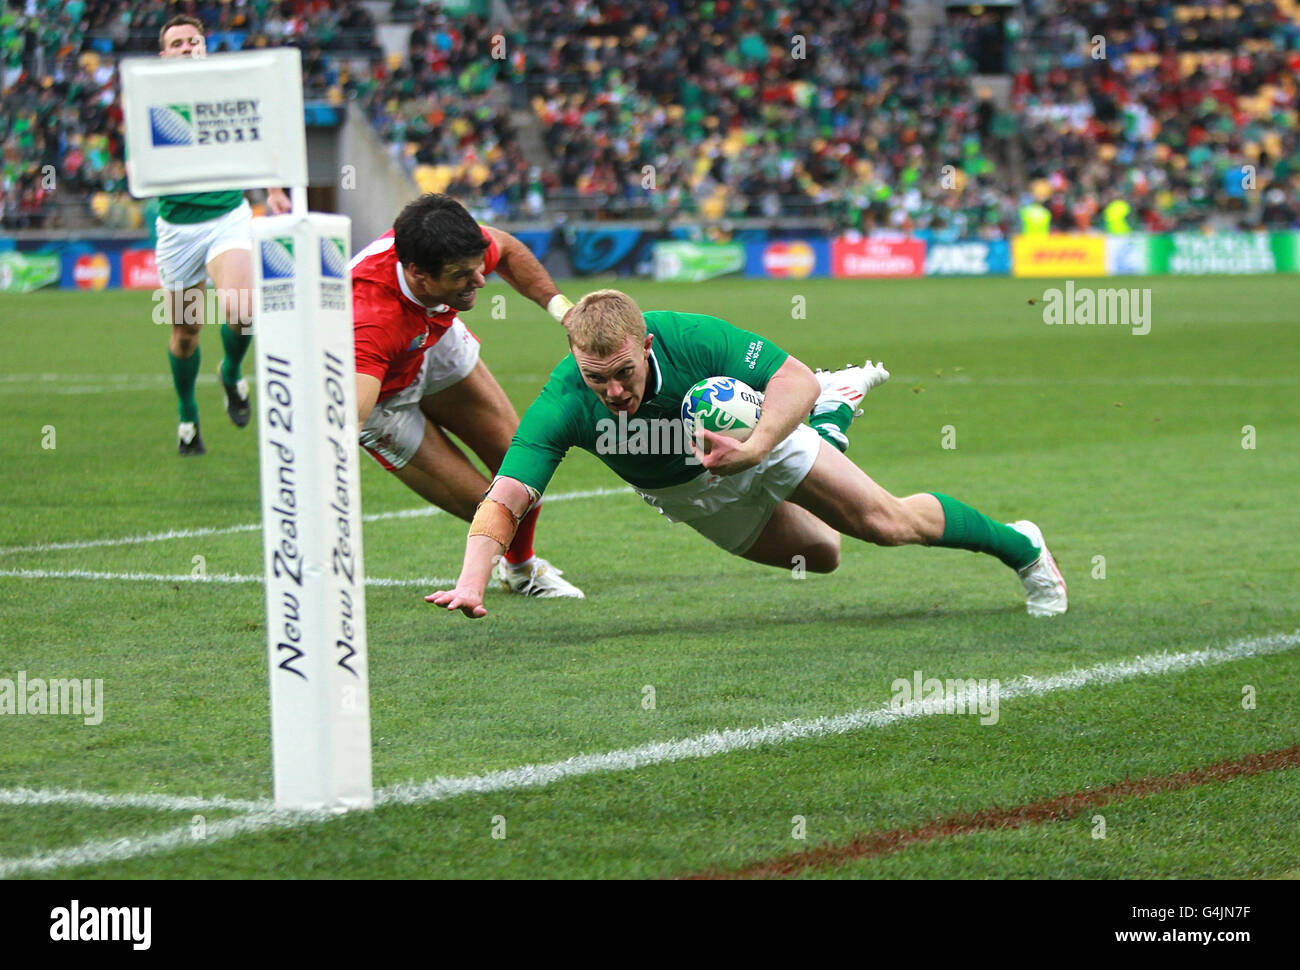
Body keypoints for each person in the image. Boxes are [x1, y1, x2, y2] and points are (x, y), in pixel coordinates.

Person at [428, 289, 1067, 619]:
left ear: (646, 343)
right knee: (823, 556)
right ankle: (835, 422)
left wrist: (757, 445)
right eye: (598, 379)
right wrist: (469, 584)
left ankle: (1024, 548)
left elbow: (795, 379)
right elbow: (505, 497)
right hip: (688, 495)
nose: (614, 392)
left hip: (759, 438)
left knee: (884, 524)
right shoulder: (563, 402)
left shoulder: (691, 337)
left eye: (623, 371)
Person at [350, 193, 584, 598]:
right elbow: (345, 420)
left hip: (430, 341)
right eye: (462, 275)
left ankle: (519, 569)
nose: (479, 281)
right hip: (383, 398)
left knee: (520, 466)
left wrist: (565, 312)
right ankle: (516, 566)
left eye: (478, 268)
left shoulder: (450, 249)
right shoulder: (368, 320)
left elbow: (506, 249)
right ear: (418, 274)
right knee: (489, 509)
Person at [152, 14, 291, 455]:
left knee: (243, 308)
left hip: (227, 219)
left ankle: (231, 373)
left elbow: (256, 136)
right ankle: (188, 413)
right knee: (186, 333)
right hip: (177, 231)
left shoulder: (226, 90)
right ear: (164, 55)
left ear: (205, 48)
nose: (188, 47)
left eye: (195, 40)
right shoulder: (148, 98)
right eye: (178, 43)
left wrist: (272, 189)